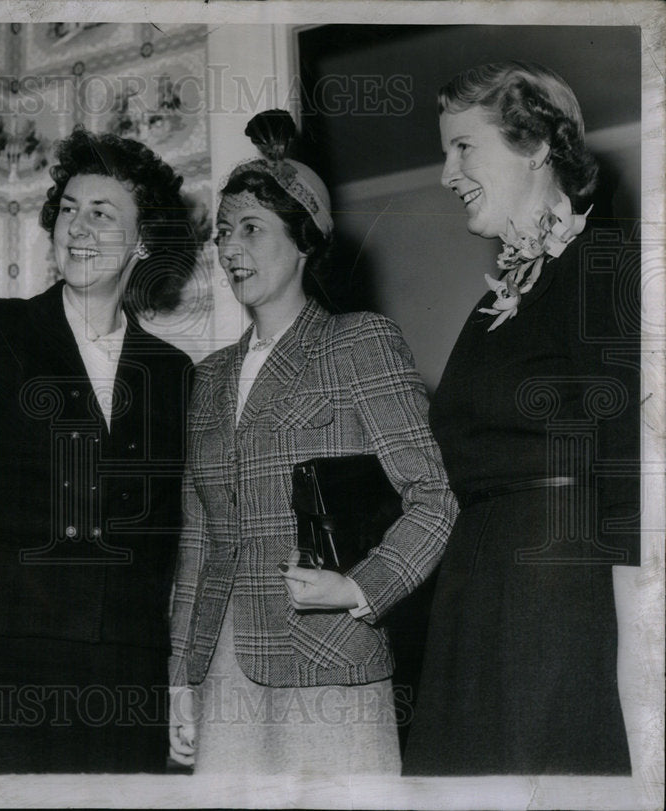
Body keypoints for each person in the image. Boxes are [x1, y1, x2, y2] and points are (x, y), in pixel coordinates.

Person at [167, 110, 458, 775]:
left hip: (330, 659)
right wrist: (181, 675)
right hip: (223, 670)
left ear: (303, 241)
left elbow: (435, 497)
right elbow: (197, 539)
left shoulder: (359, 341)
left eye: (250, 229)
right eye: (221, 233)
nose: (229, 248)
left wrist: (359, 588)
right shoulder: (208, 377)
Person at [402, 61, 640, 775]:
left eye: (463, 147)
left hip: (556, 595)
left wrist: (638, 639)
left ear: (536, 143)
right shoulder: (497, 300)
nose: (446, 174)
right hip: (477, 588)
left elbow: (631, 456)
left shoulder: (605, 260)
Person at [0, 128, 201, 773]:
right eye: (68, 210)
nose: (77, 229)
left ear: (144, 241)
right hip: (6, 665)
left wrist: (177, 677)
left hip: (127, 676)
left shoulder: (173, 373)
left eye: (102, 213)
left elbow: (176, 534)